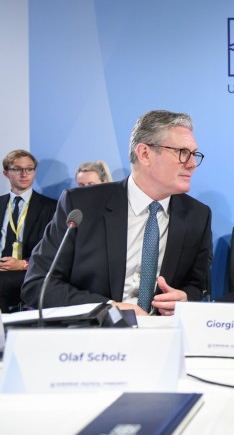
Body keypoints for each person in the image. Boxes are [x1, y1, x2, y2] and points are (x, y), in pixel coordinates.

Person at [21, 110, 212, 316]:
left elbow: (196, 285)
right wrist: (109, 309)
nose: (192, 164)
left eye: (194, 154)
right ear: (145, 154)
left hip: (163, 336)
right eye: (182, 152)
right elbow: (38, 285)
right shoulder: (81, 205)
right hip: (93, 336)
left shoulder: (197, 216)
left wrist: (183, 298)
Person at [0, 150, 57, 312]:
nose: (24, 174)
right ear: (6, 173)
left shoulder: (50, 207)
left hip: (30, 270)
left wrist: (22, 264)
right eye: (17, 169)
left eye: (29, 169)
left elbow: (53, 251)